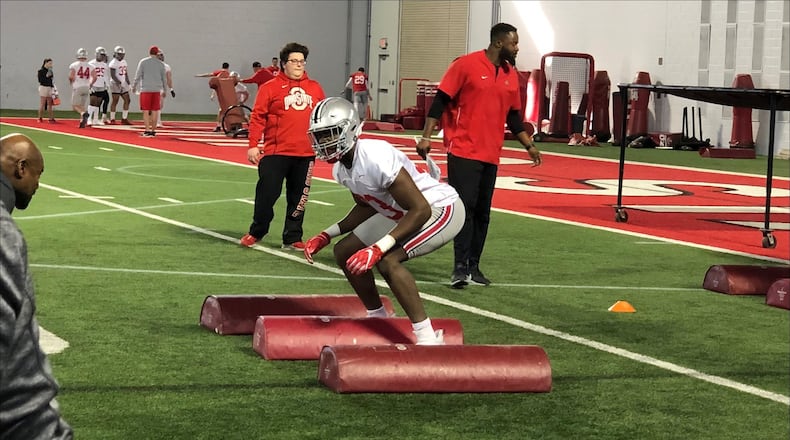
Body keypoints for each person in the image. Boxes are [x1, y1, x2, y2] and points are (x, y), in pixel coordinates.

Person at [303, 97, 463, 345]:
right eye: (320, 136)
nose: (324, 143)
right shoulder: (341, 169)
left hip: (440, 208)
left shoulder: (375, 156)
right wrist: (327, 234)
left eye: (330, 134)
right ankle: (378, 316)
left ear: (349, 129)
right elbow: (367, 205)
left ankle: (427, 337)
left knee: (388, 261)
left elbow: (419, 209)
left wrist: (378, 247)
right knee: (345, 251)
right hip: (404, 212)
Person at [416, 22, 543, 289]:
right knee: (466, 209)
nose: (517, 48)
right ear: (499, 43)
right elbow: (440, 100)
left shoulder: (510, 74)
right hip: (463, 149)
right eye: (514, 43)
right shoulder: (466, 65)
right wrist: (427, 136)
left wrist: (528, 145)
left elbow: (514, 117)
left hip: (491, 153)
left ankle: (474, 266)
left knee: (483, 212)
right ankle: (459, 268)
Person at [0, 133, 73, 439]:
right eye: (37, 174)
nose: (38, 185)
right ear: (21, 168)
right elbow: (16, 377)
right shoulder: (4, 234)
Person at [240, 42, 325, 250]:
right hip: (275, 152)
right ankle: (257, 231)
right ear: (283, 64)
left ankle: (293, 236)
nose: (299, 65)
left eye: (302, 61)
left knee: (299, 199)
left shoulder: (315, 88)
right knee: (267, 194)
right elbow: (258, 117)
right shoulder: (270, 87)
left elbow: (322, 117)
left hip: (305, 154)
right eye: (294, 61)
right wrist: (253, 144)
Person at [131, 45, 168, 137]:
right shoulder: (161, 64)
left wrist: (134, 86)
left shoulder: (143, 62)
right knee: (155, 110)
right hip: (156, 89)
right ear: (157, 53)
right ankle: (153, 130)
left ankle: (147, 129)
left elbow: (138, 75)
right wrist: (164, 89)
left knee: (146, 110)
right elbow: (164, 78)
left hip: (146, 89)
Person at [196, 62, 230, 132]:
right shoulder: (229, 74)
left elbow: (210, 75)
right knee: (224, 110)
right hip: (228, 94)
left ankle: (221, 126)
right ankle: (221, 126)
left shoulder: (220, 72)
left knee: (223, 111)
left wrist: (200, 75)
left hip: (223, 94)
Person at [108, 46, 132, 125]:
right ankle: (112, 119)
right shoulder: (113, 63)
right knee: (115, 100)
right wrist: (119, 83)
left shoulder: (124, 62)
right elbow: (113, 75)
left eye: (122, 54)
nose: (121, 56)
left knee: (127, 100)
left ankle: (124, 118)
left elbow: (125, 73)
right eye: (119, 54)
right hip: (115, 84)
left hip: (123, 83)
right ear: (115, 54)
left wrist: (128, 83)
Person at [68, 48, 92, 128]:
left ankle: (83, 114)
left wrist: (71, 82)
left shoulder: (74, 65)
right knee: (82, 105)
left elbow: (71, 76)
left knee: (74, 106)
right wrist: (90, 84)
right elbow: (95, 76)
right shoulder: (90, 65)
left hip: (78, 87)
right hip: (86, 87)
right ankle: (82, 122)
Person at [87, 46, 110, 126]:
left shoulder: (104, 65)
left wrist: (107, 85)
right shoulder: (91, 63)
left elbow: (105, 75)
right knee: (92, 102)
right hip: (93, 84)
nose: (102, 56)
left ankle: (96, 119)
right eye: (101, 54)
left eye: (103, 55)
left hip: (101, 85)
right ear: (96, 54)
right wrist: (88, 85)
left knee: (98, 103)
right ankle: (89, 119)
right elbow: (88, 75)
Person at [155, 50, 175, 128]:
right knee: (157, 105)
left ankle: (157, 121)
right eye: (160, 55)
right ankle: (157, 121)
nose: (161, 57)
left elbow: (169, 79)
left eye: (162, 55)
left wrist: (171, 89)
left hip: (160, 87)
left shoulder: (166, 66)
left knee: (159, 105)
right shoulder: (152, 66)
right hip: (154, 86)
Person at [36, 58, 55, 123]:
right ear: (45, 63)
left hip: (49, 87)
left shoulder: (50, 71)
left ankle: (51, 118)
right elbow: (40, 80)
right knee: (42, 103)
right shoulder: (40, 71)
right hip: (43, 87)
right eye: (49, 63)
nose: (51, 65)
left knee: (50, 103)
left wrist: (53, 88)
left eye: (51, 63)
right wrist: (46, 76)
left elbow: (51, 80)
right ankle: (40, 117)